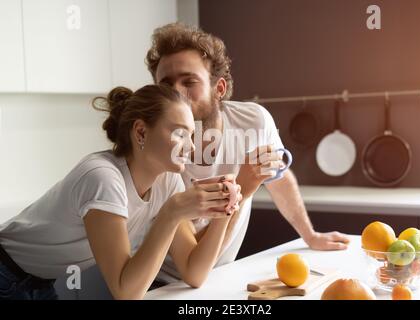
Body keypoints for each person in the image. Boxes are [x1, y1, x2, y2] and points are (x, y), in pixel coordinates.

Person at [145, 23, 351, 284]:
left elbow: (278, 177)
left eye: (189, 81)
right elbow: (194, 264)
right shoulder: (158, 153)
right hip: (163, 283)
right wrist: (241, 188)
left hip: (219, 274)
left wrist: (309, 235)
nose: (176, 93)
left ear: (219, 89)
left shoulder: (253, 121)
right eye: (166, 84)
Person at [0, 84, 241, 300]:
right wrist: (170, 214)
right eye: (179, 133)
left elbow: (194, 273)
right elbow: (125, 292)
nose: (190, 146)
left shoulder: (167, 180)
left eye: (190, 135)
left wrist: (224, 211)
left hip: (38, 281)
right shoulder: (102, 178)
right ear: (141, 132)